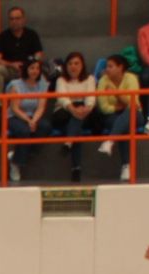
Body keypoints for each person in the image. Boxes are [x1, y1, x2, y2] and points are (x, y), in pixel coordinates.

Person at [51, 51, 97, 182]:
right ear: (66, 66)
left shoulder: (90, 79)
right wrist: (74, 109)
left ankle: (69, 144)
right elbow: (62, 98)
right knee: (76, 124)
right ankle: (76, 167)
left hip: (84, 112)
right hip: (63, 112)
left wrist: (84, 110)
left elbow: (91, 99)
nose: (73, 67)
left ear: (82, 65)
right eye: (70, 64)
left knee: (76, 126)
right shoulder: (61, 79)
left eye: (77, 63)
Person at [93, 52, 139, 180]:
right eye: (106, 66)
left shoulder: (131, 78)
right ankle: (126, 166)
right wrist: (120, 106)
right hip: (112, 115)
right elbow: (103, 107)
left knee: (129, 114)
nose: (106, 69)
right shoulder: (103, 81)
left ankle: (110, 140)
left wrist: (116, 94)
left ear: (120, 67)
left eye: (110, 66)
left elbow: (134, 105)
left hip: (135, 114)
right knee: (124, 127)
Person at [5, 55, 50, 183]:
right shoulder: (16, 85)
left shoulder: (43, 84)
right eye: (31, 68)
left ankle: (18, 155)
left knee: (45, 126)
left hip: (33, 115)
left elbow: (41, 106)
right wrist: (29, 121)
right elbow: (14, 108)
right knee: (25, 131)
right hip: (15, 116)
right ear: (26, 69)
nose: (35, 71)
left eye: (37, 68)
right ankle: (15, 165)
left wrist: (34, 120)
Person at [0, 6, 45, 97]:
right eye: (11, 19)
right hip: (10, 68)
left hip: (29, 68)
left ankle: (38, 103)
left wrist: (28, 66)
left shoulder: (32, 35)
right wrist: (11, 64)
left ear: (24, 19)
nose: (14, 21)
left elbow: (39, 55)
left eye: (17, 18)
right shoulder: (2, 36)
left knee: (41, 74)